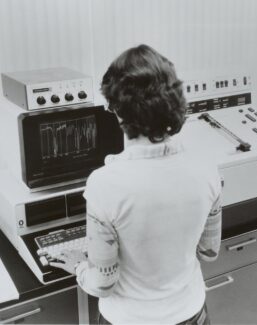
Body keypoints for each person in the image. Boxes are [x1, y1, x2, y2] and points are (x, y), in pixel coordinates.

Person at [51, 44, 223, 325]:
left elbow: (102, 284)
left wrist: (79, 267)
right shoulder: (207, 168)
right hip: (191, 313)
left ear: (118, 110)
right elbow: (208, 252)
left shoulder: (104, 184)